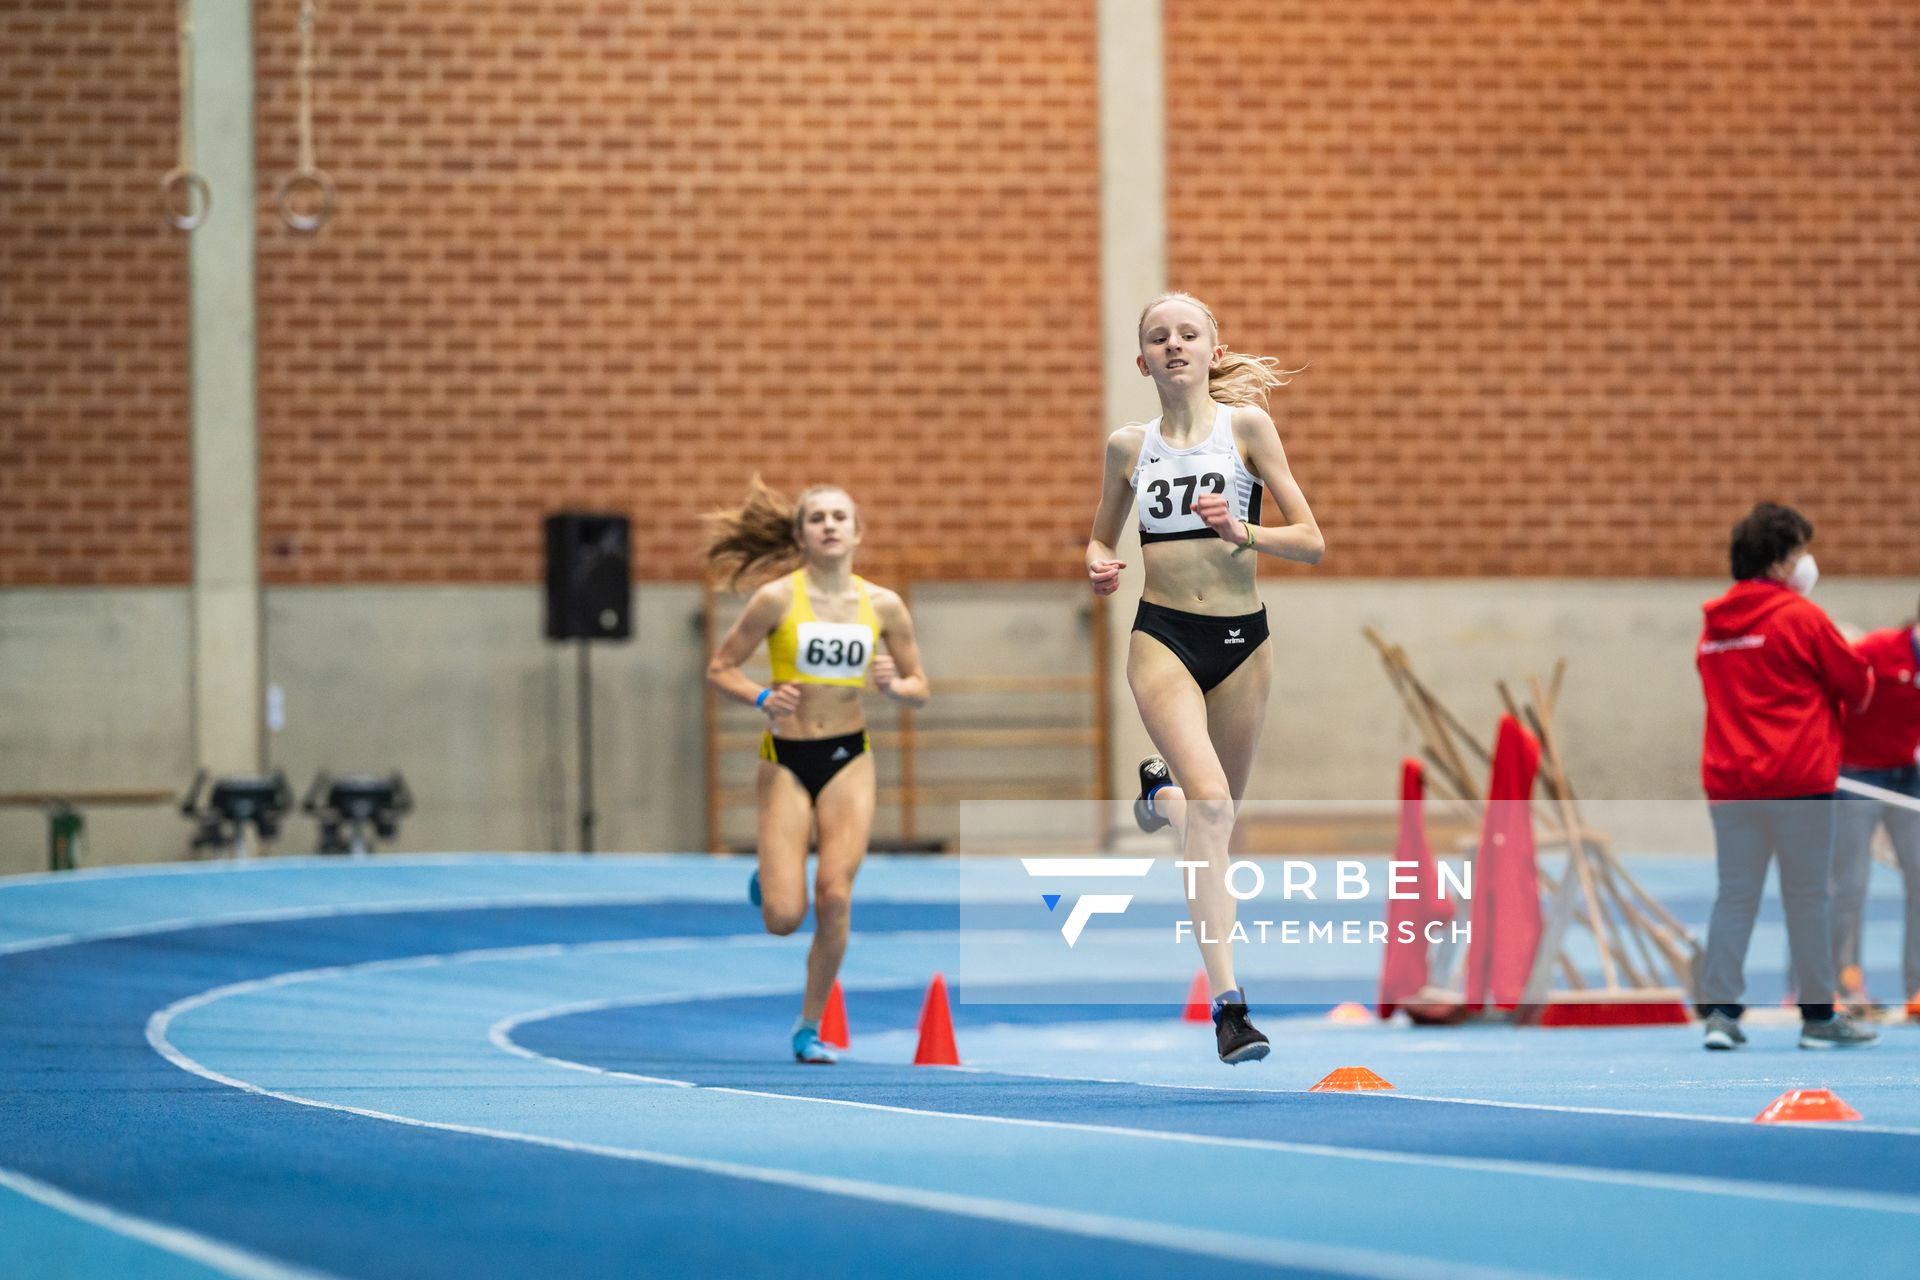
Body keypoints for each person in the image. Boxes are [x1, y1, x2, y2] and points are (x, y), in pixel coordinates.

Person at [1085, 292, 1324, 1063]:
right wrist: (1098, 563)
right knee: (1214, 809)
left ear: (1214, 352)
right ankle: (1231, 1008)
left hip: (1243, 643)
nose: (1176, 345)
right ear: (1143, 360)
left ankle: (1160, 795)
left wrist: (1241, 529)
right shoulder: (1129, 446)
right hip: (1164, 638)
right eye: (1161, 337)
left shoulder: (1247, 430)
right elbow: (1098, 536)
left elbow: (1312, 542)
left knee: (1216, 823)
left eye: (1190, 334)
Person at [704, 479, 930, 1063]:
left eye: (839, 516)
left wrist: (894, 687)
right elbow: (720, 667)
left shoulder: (882, 606)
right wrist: (759, 698)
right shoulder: (777, 599)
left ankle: (808, 1026)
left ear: (857, 532)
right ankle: (769, 876)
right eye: (817, 518)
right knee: (783, 918)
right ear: (801, 535)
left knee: (834, 894)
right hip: (786, 758)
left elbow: (918, 688)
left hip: (847, 758)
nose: (829, 525)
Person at [1694, 502, 1876, 1050]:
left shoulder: (1714, 626)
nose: (1805, 562)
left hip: (1731, 785)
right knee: (1806, 897)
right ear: (1778, 562)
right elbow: (1860, 689)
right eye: (1798, 551)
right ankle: (1818, 1017)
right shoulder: (1802, 618)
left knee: (1734, 897)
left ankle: (1722, 1014)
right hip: (1797, 782)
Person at [1830, 596, 1920, 1017]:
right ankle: (1843, 983)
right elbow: (1828, 689)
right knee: (1851, 882)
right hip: (1857, 776)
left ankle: (1916, 987)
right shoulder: (1877, 650)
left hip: (1907, 777)